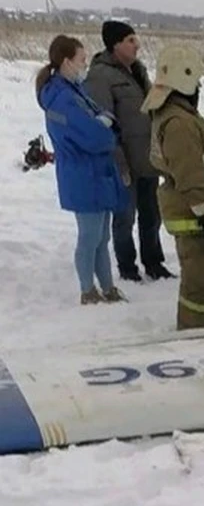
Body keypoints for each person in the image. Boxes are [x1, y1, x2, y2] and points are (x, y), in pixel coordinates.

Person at [142, 45, 204, 330]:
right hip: (197, 220)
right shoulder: (179, 124)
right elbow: (191, 180)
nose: (198, 88)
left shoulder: (179, 116)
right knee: (202, 290)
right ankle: (196, 342)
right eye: (196, 81)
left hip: (201, 217)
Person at [36, 34, 127, 305]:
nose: (85, 65)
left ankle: (108, 288)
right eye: (82, 60)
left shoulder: (75, 91)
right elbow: (94, 136)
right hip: (82, 174)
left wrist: (105, 123)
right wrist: (105, 128)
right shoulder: (61, 98)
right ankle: (88, 291)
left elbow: (106, 117)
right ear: (67, 62)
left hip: (96, 173)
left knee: (102, 236)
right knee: (89, 236)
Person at [85, 20, 174, 282]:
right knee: (124, 218)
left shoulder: (139, 70)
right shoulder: (100, 76)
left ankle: (154, 262)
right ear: (115, 45)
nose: (137, 45)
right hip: (123, 161)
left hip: (147, 157)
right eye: (131, 40)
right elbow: (104, 123)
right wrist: (119, 161)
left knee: (151, 216)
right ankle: (127, 267)